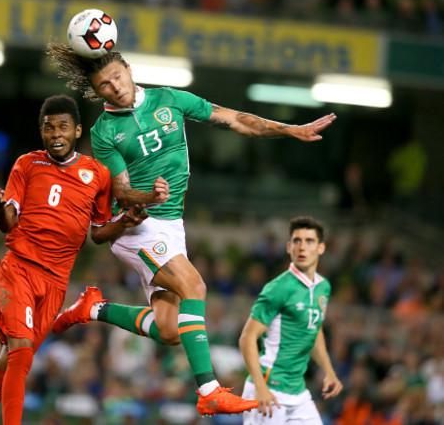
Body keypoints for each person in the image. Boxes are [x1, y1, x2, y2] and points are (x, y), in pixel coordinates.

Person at [46, 43, 336, 417]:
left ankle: (94, 307)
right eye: (104, 85)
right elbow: (119, 189)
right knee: (194, 285)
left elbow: (233, 119)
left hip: (170, 224)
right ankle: (209, 390)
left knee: (169, 330)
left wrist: (288, 130)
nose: (114, 87)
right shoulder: (105, 131)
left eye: (117, 76)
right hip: (138, 227)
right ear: (97, 91)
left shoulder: (170, 99)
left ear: (129, 70)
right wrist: (147, 196)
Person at [0, 94, 158, 425]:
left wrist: (123, 222)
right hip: (20, 269)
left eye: (62, 127)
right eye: (49, 128)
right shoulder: (27, 164)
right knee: (22, 354)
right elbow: (8, 222)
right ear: (41, 132)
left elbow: (97, 233)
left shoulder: (97, 174)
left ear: (77, 131)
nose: (55, 134)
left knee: (3, 372)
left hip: (55, 283)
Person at [238, 216, 343, 424]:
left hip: (298, 392)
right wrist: (260, 388)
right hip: (268, 388)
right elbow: (247, 338)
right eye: (297, 241)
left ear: (321, 248)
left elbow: (314, 330)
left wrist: (329, 371)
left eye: (309, 241)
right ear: (288, 247)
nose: (302, 247)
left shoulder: (323, 287)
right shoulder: (278, 288)